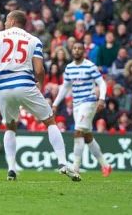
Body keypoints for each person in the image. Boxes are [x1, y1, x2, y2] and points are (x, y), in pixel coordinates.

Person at [0, 10, 80, 182]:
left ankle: (11, 169)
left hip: (3, 88)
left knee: (10, 127)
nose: (4, 23)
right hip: (25, 85)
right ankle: (62, 163)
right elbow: (39, 69)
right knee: (50, 121)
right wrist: (40, 84)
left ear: (11, 21)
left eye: (6, 20)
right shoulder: (34, 40)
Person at [52, 42, 112, 177]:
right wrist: (55, 104)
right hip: (76, 104)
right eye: (74, 48)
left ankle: (75, 167)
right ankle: (106, 165)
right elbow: (65, 88)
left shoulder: (90, 66)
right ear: (72, 51)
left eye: (79, 48)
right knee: (87, 136)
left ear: (84, 51)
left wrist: (102, 98)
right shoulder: (69, 68)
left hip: (89, 102)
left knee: (78, 132)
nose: (77, 50)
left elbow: (102, 83)